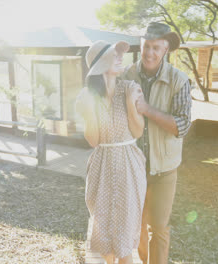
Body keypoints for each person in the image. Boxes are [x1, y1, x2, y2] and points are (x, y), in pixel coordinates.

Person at [121, 22, 192, 264]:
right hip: (133, 168)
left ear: (166, 50)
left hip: (164, 170)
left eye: (156, 48)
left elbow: (182, 126)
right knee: (138, 227)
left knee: (158, 227)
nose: (150, 53)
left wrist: (147, 110)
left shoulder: (179, 80)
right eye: (146, 47)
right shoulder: (126, 76)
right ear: (140, 47)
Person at [75, 40, 147, 264]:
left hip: (128, 163)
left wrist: (129, 103)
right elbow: (94, 140)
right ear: (99, 63)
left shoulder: (130, 88)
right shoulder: (87, 96)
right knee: (103, 227)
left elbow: (138, 130)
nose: (119, 57)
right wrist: (90, 112)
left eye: (119, 54)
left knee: (125, 232)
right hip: (102, 165)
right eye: (113, 54)